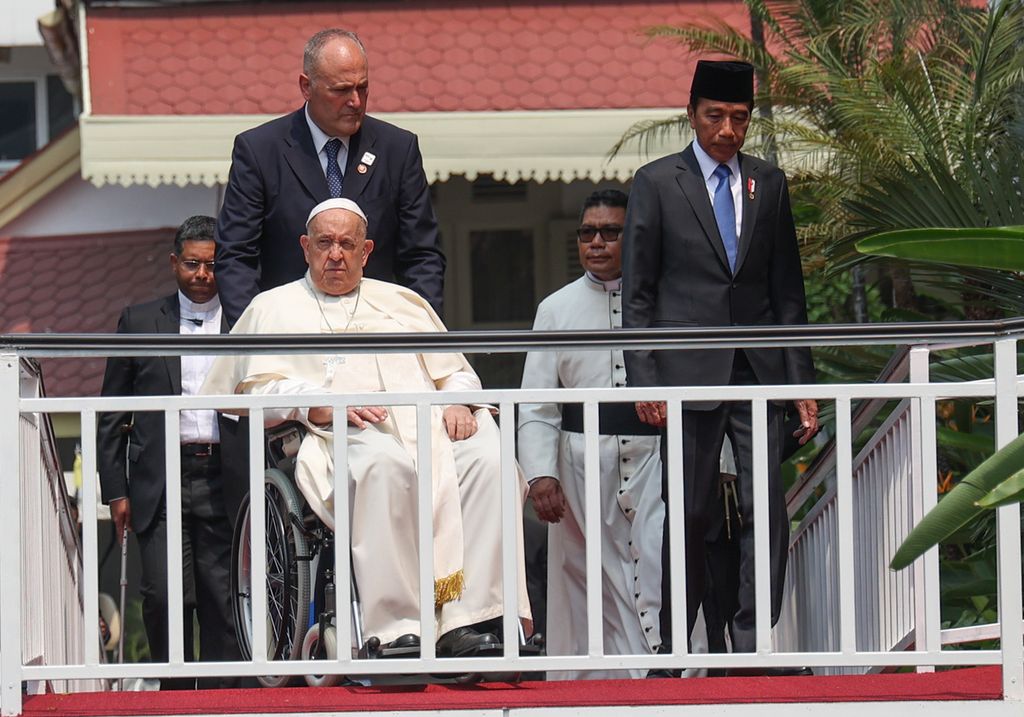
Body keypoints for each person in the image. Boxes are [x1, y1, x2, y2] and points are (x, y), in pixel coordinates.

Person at [202, 198, 531, 659]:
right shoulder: (272, 309)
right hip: (337, 437)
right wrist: (312, 406)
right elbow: (249, 392)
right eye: (324, 243)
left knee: (487, 454)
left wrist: (459, 398)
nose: (335, 253)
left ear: (366, 250)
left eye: (346, 244)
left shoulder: (402, 303)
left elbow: (454, 369)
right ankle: (397, 627)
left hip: (428, 431)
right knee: (383, 463)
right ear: (305, 247)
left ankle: (470, 617)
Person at [621, 60, 819, 660]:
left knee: (767, 509)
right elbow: (639, 293)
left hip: (759, 369)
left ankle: (755, 640)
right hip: (684, 373)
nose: (727, 130)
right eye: (715, 117)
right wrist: (644, 379)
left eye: (739, 118)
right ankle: (675, 647)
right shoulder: (657, 182)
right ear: (692, 115)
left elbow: (788, 292)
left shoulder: (770, 182)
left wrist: (801, 381)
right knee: (689, 511)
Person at [518, 189, 664, 679]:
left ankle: (670, 683)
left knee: (659, 569)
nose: (596, 242)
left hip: (655, 462)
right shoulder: (555, 309)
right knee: (585, 583)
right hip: (581, 467)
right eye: (587, 233)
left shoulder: (664, 300)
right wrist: (540, 475)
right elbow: (537, 404)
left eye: (610, 232)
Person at [97, 216, 244, 689]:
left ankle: (223, 699)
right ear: (174, 263)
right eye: (193, 264)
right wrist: (115, 491)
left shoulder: (246, 319)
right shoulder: (139, 320)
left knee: (222, 597)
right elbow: (111, 414)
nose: (203, 275)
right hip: (161, 480)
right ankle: (174, 695)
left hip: (226, 475)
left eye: (213, 265)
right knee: (163, 595)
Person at [215, 28, 445, 326]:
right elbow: (236, 257)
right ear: (306, 86)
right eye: (340, 90)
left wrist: (419, 337)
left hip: (378, 335)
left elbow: (421, 256)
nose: (356, 101)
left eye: (363, 88)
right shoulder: (260, 151)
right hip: (287, 337)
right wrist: (258, 340)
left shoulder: (397, 150)